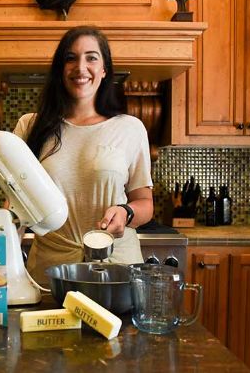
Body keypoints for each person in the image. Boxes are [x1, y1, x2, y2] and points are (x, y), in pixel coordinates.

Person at [13, 25, 154, 285]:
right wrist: (0, 263)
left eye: (91, 57)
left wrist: (126, 213)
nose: (80, 67)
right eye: (71, 58)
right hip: (50, 272)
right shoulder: (30, 127)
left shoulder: (129, 128)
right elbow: (13, 207)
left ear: (104, 70)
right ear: (60, 69)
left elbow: (145, 203)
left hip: (116, 271)